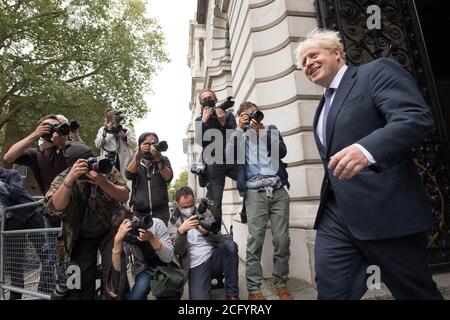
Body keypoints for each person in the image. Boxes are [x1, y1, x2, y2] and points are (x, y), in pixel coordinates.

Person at [296, 28, 443, 299]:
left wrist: (367, 150)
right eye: (303, 62)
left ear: (336, 53)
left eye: (313, 55)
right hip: (336, 217)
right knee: (330, 292)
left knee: (415, 293)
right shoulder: (321, 107)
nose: (308, 64)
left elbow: (415, 117)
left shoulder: (374, 72)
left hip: (386, 210)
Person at [43, 142, 129, 299]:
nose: (90, 167)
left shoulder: (104, 169)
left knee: (115, 273)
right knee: (81, 282)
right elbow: (54, 206)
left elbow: (124, 195)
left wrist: (103, 182)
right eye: (84, 164)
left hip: (108, 231)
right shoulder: (64, 177)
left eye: (91, 161)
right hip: (80, 236)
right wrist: (69, 181)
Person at [225, 101, 292, 300]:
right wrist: (238, 128)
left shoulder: (269, 129)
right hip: (254, 193)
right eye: (247, 115)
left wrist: (262, 132)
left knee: (282, 241)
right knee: (255, 241)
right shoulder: (239, 135)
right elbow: (228, 157)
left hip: (278, 191)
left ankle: (281, 284)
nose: (252, 117)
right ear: (240, 117)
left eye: (254, 113)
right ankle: (254, 290)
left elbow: (282, 151)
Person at [168, 186, 239, 300]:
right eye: (184, 207)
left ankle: (232, 294)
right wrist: (181, 232)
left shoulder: (204, 212)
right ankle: (204, 283)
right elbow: (178, 251)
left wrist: (205, 233)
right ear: (178, 204)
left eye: (191, 205)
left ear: (194, 200)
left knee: (230, 246)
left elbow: (219, 238)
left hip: (213, 257)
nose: (188, 209)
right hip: (196, 264)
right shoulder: (173, 222)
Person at [0, 167, 51, 299]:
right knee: (14, 261)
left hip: (30, 215)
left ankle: (45, 289)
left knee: (45, 254)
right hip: (11, 222)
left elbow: (16, 192)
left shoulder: (11, 174)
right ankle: (16, 294)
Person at [110, 207, 181, 300]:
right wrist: (117, 241)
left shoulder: (155, 224)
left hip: (167, 267)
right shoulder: (126, 237)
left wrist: (151, 238)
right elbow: (118, 267)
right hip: (145, 269)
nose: (131, 231)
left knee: (168, 295)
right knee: (136, 297)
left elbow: (168, 257)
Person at [195, 89, 238, 224]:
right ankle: (214, 230)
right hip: (213, 161)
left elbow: (235, 136)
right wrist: (203, 121)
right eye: (204, 99)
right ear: (201, 103)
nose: (208, 100)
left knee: (247, 180)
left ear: (216, 98)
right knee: (215, 199)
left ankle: (246, 212)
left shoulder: (228, 114)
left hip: (232, 159)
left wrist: (223, 122)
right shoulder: (199, 119)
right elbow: (201, 141)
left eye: (210, 97)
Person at [125, 132, 173, 226]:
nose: (151, 146)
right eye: (147, 143)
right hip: (139, 213)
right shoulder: (135, 160)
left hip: (161, 213)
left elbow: (168, 177)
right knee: (141, 239)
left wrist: (157, 159)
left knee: (161, 240)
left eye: (154, 143)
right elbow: (129, 175)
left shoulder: (164, 160)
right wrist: (139, 153)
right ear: (141, 145)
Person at [95, 107, 137, 180]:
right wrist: (108, 132)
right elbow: (98, 144)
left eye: (115, 118)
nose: (114, 120)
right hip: (108, 162)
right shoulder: (103, 129)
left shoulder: (126, 130)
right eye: (111, 118)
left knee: (124, 184)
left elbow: (134, 144)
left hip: (123, 162)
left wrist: (125, 137)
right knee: (108, 183)